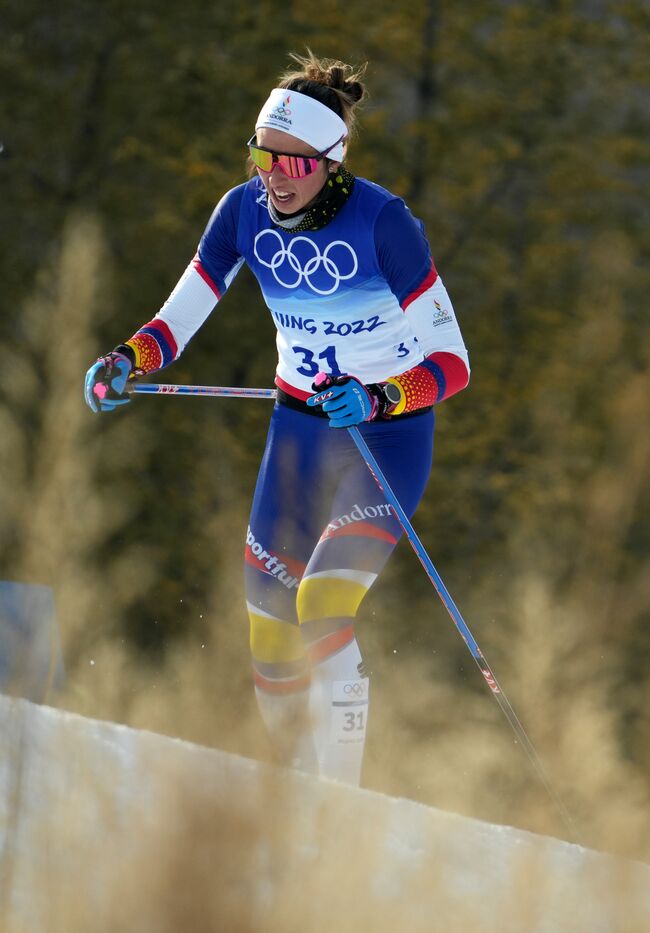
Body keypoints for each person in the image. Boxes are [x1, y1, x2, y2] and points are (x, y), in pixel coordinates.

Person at [82, 53, 470, 786]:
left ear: (332, 162)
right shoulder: (241, 213)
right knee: (267, 621)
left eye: (296, 161)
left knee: (321, 602)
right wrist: (126, 359)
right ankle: (286, 788)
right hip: (298, 427)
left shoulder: (385, 223)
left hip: (382, 436)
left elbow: (454, 362)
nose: (276, 175)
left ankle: (341, 797)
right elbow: (179, 316)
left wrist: (384, 396)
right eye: (266, 154)